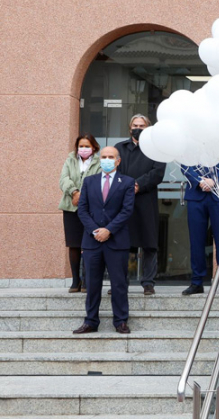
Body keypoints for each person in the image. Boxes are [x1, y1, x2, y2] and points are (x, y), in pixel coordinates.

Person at [73, 147, 135, 335]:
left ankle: (121, 321)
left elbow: (127, 210)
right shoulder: (89, 181)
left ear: (118, 161)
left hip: (117, 241)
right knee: (92, 284)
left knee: (119, 284)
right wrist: (95, 230)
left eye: (111, 157)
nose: (107, 160)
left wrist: (109, 230)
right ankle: (91, 321)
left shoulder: (127, 182)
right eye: (104, 157)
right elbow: (82, 209)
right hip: (92, 242)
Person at [114, 114, 166, 296]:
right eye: (135, 125)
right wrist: (128, 186)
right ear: (130, 128)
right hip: (123, 200)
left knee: (149, 242)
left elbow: (158, 172)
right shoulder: (120, 148)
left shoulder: (156, 148)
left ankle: (148, 283)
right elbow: (114, 170)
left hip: (146, 200)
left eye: (141, 126)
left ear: (148, 127)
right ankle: (120, 282)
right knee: (122, 243)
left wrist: (138, 185)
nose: (138, 128)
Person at [181, 162, 219, 296]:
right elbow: (184, 163)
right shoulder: (191, 145)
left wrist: (214, 181)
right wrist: (200, 181)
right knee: (196, 240)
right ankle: (197, 281)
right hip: (196, 194)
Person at [59, 134, 101, 293]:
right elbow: (64, 179)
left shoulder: (99, 162)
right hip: (71, 206)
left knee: (89, 245)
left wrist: (82, 196)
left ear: (94, 147)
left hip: (90, 209)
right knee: (74, 244)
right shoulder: (70, 160)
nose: (83, 149)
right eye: (81, 146)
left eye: (87, 146)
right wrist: (74, 192)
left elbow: (97, 181)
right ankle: (76, 280)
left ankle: (87, 280)